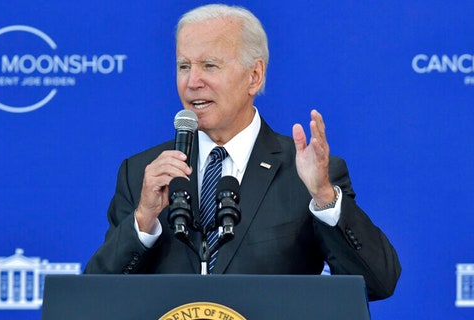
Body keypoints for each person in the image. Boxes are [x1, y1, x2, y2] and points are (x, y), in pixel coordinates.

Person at [85, 3, 401, 301]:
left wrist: (323, 197)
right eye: (184, 66)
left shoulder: (305, 173)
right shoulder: (143, 173)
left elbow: (378, 282)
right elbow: (95, 297)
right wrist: (143, 219)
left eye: (209, 65)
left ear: (254, 76)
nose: (193, 81)